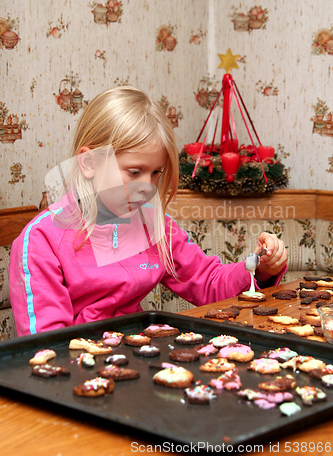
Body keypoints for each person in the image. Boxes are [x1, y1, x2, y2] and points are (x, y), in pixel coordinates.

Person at [9, 86, 288, 336]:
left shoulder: (155, 226)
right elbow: (46, 347)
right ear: (89, 163)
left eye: (156, 173)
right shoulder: (41, 240)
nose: (147, 187)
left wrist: (260, 271)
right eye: (134, 171)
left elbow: (209, 283)